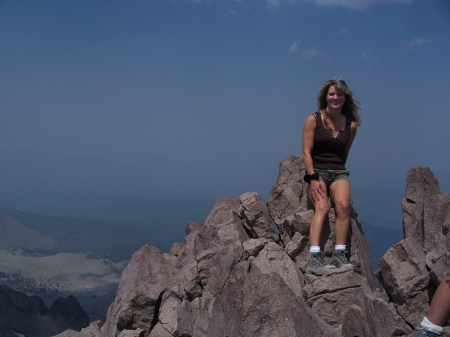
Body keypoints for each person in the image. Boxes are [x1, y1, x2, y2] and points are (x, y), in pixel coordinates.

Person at [302, 79, 361, 276]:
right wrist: (312, 178)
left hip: (338, 171)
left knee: (343, 206)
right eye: (332, 94)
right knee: (323, 208)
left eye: (340, 94)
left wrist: (336, 170)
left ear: (345, 98)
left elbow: (345, 152)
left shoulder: (351, 126)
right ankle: (314, 258)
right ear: (325, 97)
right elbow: (306, 151)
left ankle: (339, 255)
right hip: (317, 171)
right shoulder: (313, 119)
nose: (335, 97)